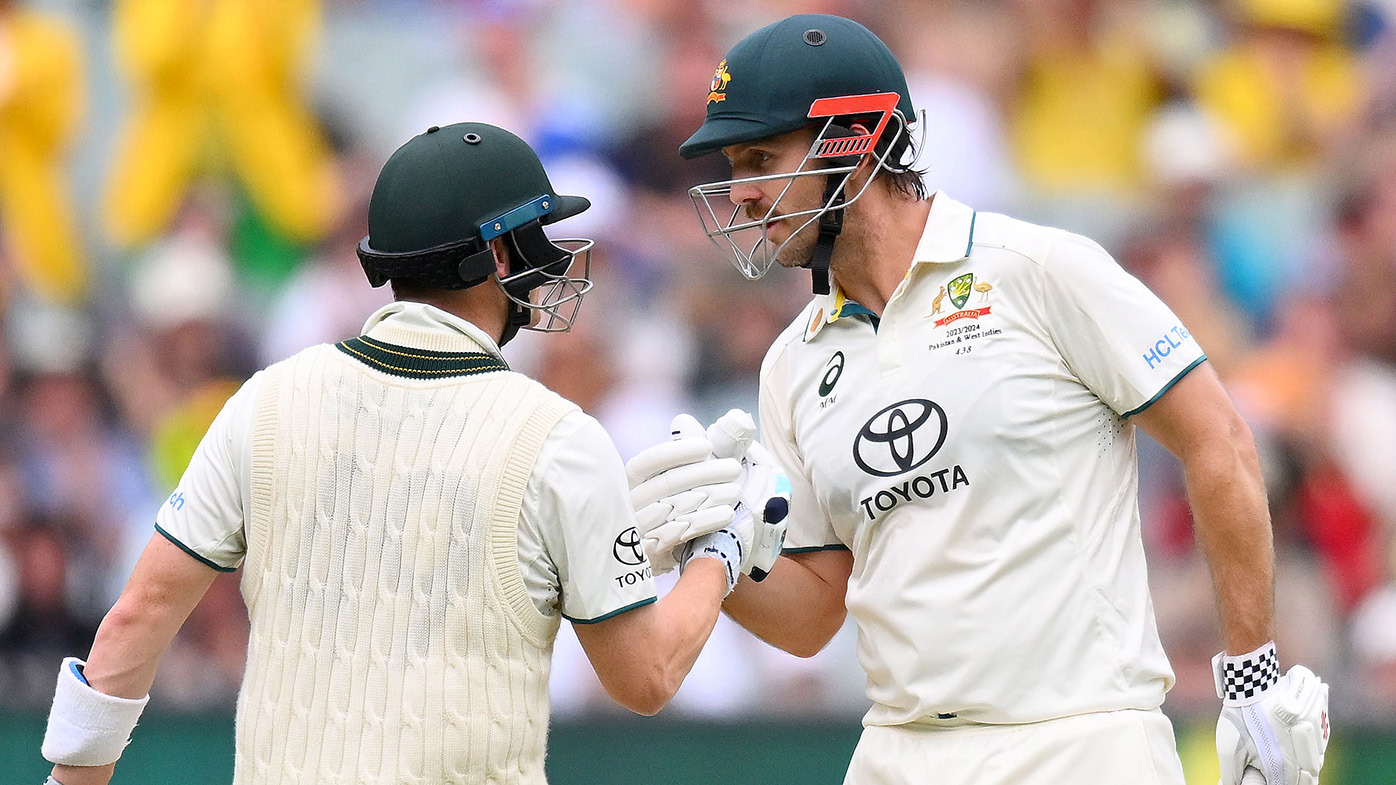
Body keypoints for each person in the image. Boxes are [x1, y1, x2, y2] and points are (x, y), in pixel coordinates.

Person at [672, 13, 1331, 785]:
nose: (742, 194)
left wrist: (1250, 679)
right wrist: (708, 548)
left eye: (761, 158)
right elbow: (816, 611)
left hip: (1080, 742)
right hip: (897, 750)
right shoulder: (792, 363)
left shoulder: (1037, 269)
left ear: (852, 141)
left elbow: (1218, 438)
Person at [38, 122, 751, 785]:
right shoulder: (560, 440)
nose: (552, 262)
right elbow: (645, 676)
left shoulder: (265, 400)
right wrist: (719, 554)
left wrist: (71, 777)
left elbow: (139, 614)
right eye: (537, 235)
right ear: (497, 252)